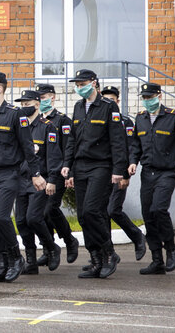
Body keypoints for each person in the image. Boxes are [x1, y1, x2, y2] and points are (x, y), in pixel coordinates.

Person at [0, 72, 46, 283]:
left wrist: (36, 174)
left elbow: (27, 147)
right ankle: (1, 264)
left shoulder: (15, 114)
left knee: (2, 217)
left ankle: (16, 258)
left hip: (9, 175)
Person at [61, 69, 128, 279]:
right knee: (82, 216)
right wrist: (68, 166)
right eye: (77, 84)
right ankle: (96, 260)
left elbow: (118, 140)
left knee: (92, 211)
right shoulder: (78, 107)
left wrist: (119, 170)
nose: (80, 87)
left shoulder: (109, 107)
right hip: (80, 166)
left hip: (101, 166)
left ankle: (109, 253)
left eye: (83, 83)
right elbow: (72, 139)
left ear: (94, 83)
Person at [129, 82, 175, 275]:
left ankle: (171, 249)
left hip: (167, 172)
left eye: (150, 97)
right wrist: (133, 161)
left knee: (159, 209)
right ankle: (157, 260)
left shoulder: (174, 117)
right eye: (144, 98)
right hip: (147, 172)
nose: (147, 101)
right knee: (148, 215)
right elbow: (136, 144)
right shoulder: (140, 118)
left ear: (159, 96)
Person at [13, 89, 62, 275]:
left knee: (33, 217)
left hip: (40, 180)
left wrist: (53, 180)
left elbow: (54, 156)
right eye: (22, 105)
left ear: (37, 104)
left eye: (28, 104)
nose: (25, 108)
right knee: (21, 221)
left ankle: (51, 247)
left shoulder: (47, 126)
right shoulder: (19, 125)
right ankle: (31, 261)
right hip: (21, 180)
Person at [100, 85, 147, 262]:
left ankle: (137, 237)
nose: (109, 103)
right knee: (102, 212)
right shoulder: (100, 121)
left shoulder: (126, 123)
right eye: (105, 100)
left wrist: (126, 176)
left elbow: (130, 149)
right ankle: (108, 252)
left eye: (112, 100)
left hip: (120, 173)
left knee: (113, 210)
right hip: (103, 173)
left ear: (117, 101)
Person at [35, 83, 79, 267]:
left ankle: (69, 240)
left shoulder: (62, 120)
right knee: (37, 215)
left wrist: (69, 172)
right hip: (38, 175)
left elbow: (68, 148)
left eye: (44, 97)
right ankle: (48, 247)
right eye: (39, 98)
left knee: (49, 209)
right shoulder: (35, 120)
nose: (41, 101)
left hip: (57, 173)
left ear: (52, 97)